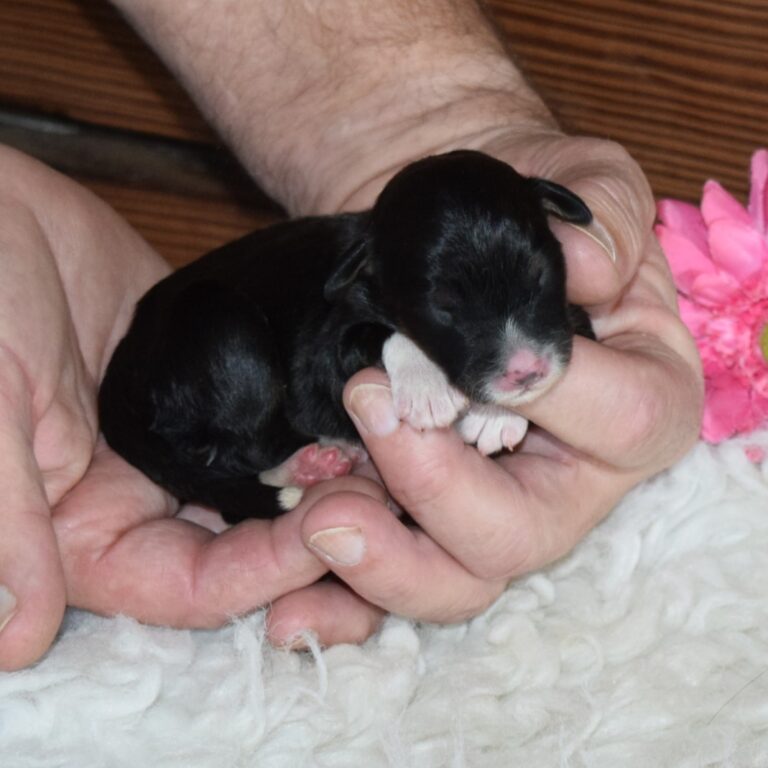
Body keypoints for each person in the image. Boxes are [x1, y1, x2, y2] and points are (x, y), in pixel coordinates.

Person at [0, 0, 703, 671]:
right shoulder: (358, 293)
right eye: (452, 311)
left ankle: (266, 475)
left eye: (537, 281)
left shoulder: (444, 278)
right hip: (181, 360)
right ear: (373, 283)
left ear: (555, 223)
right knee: (245, 376)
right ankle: (251, 463)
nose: (522, 357)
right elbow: (349, 356)